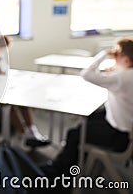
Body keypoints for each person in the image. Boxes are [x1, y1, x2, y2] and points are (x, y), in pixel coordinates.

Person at [42, 38, 133, 176]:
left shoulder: (120, 78)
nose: (113, 56)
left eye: (116, 54)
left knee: (74, 134)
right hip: (126, 127)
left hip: (119, 136)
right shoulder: (126, 75)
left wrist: (104, 54)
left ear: (126, 60)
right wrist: (114, 70)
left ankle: (59, 174)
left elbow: (86, 74)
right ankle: (77, 161)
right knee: (88, 118)